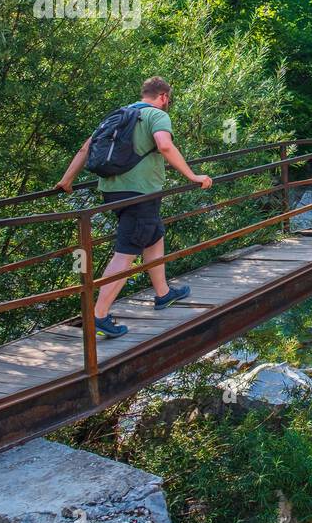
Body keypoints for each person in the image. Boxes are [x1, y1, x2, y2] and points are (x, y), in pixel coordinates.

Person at [56, 76, 213, 339]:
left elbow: (86, 148)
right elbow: (164, 145)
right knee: (126, 253)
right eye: (168, 100)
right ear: (163, 96)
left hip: (112, 191)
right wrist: (193, 176)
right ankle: (99, 315)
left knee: (153, 235)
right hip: (141, 194)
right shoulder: (157, 116)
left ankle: (163, 293)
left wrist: (67, 180)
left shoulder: (119, 114)